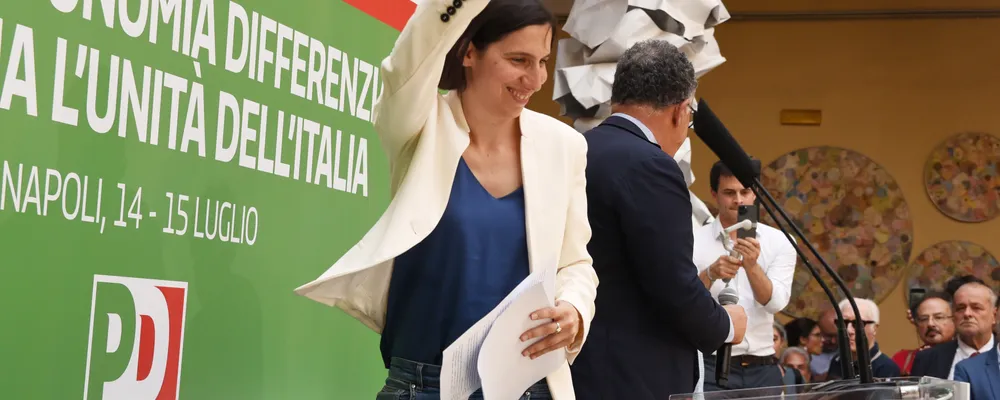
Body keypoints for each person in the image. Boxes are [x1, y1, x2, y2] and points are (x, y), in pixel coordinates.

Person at [293, 1, 600, 398]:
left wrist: (574, 310)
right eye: (518, 59)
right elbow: (409, 59)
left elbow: (575, 262)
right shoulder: (418, 125)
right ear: (469, 50)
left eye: (542, 61)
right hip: (422, 386)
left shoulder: (566, 147)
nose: (535, 78)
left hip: (528, 386)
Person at [569, 39, 748, 400]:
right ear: (681, 111)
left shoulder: (577, 148)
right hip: (636, 375)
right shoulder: (652, 165)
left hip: (578, 364)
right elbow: (672, 284)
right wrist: (726, 325)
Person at [693, 160, 797, 391]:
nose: (738, 200)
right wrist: (709, 274)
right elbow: (682, 299)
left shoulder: (780, 241)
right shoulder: (693, 240)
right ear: (714, 194)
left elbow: (775, 303)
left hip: (762, 367)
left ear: (755, 194)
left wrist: (752, 266)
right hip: (711, 363)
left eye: (745, 192)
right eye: (729, 193)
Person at [912, 281, 997, 380]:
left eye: (976, 307)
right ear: (953, 316)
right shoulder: (927, 359)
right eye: (960, 308)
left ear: (994, 315)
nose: (967, 313)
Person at [826, 298, 900, 379]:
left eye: (858, 324)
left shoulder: (885, 368)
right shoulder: (837, 361)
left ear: (874, 328)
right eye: (843, 323)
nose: (849, 330)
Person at [892, 292, 954, 376]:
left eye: (938, 317)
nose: (930, 324)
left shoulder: (965, 356)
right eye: (923, 319)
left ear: (954, 320)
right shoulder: (902, 359)